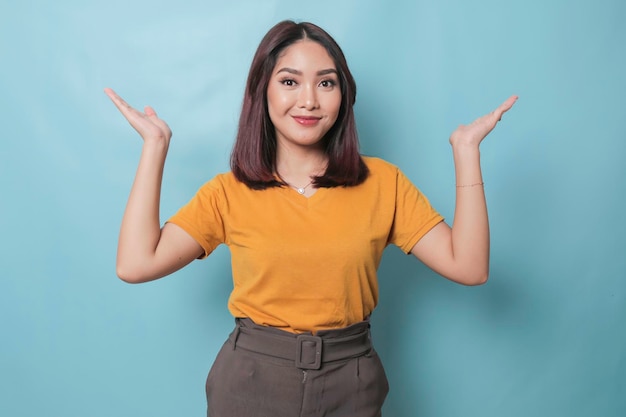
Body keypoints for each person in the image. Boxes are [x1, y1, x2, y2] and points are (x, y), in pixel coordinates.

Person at [105, 20, 516, 417]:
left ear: (343, 95)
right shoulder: (227, 192)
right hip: (251, 382)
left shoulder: (383, 183)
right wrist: (155, 146)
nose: (309, 100)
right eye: (289, 81)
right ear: (261, 92)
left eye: (326, 82)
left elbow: (470, 267)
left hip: (351, 382)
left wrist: (466, 152)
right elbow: (136, 264)